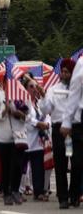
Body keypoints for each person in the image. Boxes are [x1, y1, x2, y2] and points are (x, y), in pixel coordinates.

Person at [41, 57, 75, 208]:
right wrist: (42, 97)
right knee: (61, 164)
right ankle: (63, 197)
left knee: (77, 163)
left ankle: (75, 194)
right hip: (59, 129)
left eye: (68, 72)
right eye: (63, 72)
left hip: (75, 130)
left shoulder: (78, 89)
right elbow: (47, 109)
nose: (64, 74)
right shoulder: (53, 89)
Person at [0, 69, 27, 206]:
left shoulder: (21, 94)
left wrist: (20, 114)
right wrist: (4, 111)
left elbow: (30, 114)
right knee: (6, 165)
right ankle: (6, 192)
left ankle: (16, 190)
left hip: (18, 136)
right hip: (2, 137)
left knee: (17, 165)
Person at [22, 76, 50, 202]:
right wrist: (38, 124)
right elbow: (25, 118)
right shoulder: (23, 102)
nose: (34, 89)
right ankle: (18, 190)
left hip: (38, 140)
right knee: (21, 168)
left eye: (35, 86)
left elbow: (47, 113)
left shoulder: (39, 103)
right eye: (31, 86)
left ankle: (38, 192)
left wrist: (47, 123)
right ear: (26, 89)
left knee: (38, 168)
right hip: (26, 138)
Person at [60, 56, 83, 208]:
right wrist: (67, 121)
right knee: (77, 162)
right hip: (80, 121)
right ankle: (74, 193)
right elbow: (74, 94)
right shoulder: (81, 63)